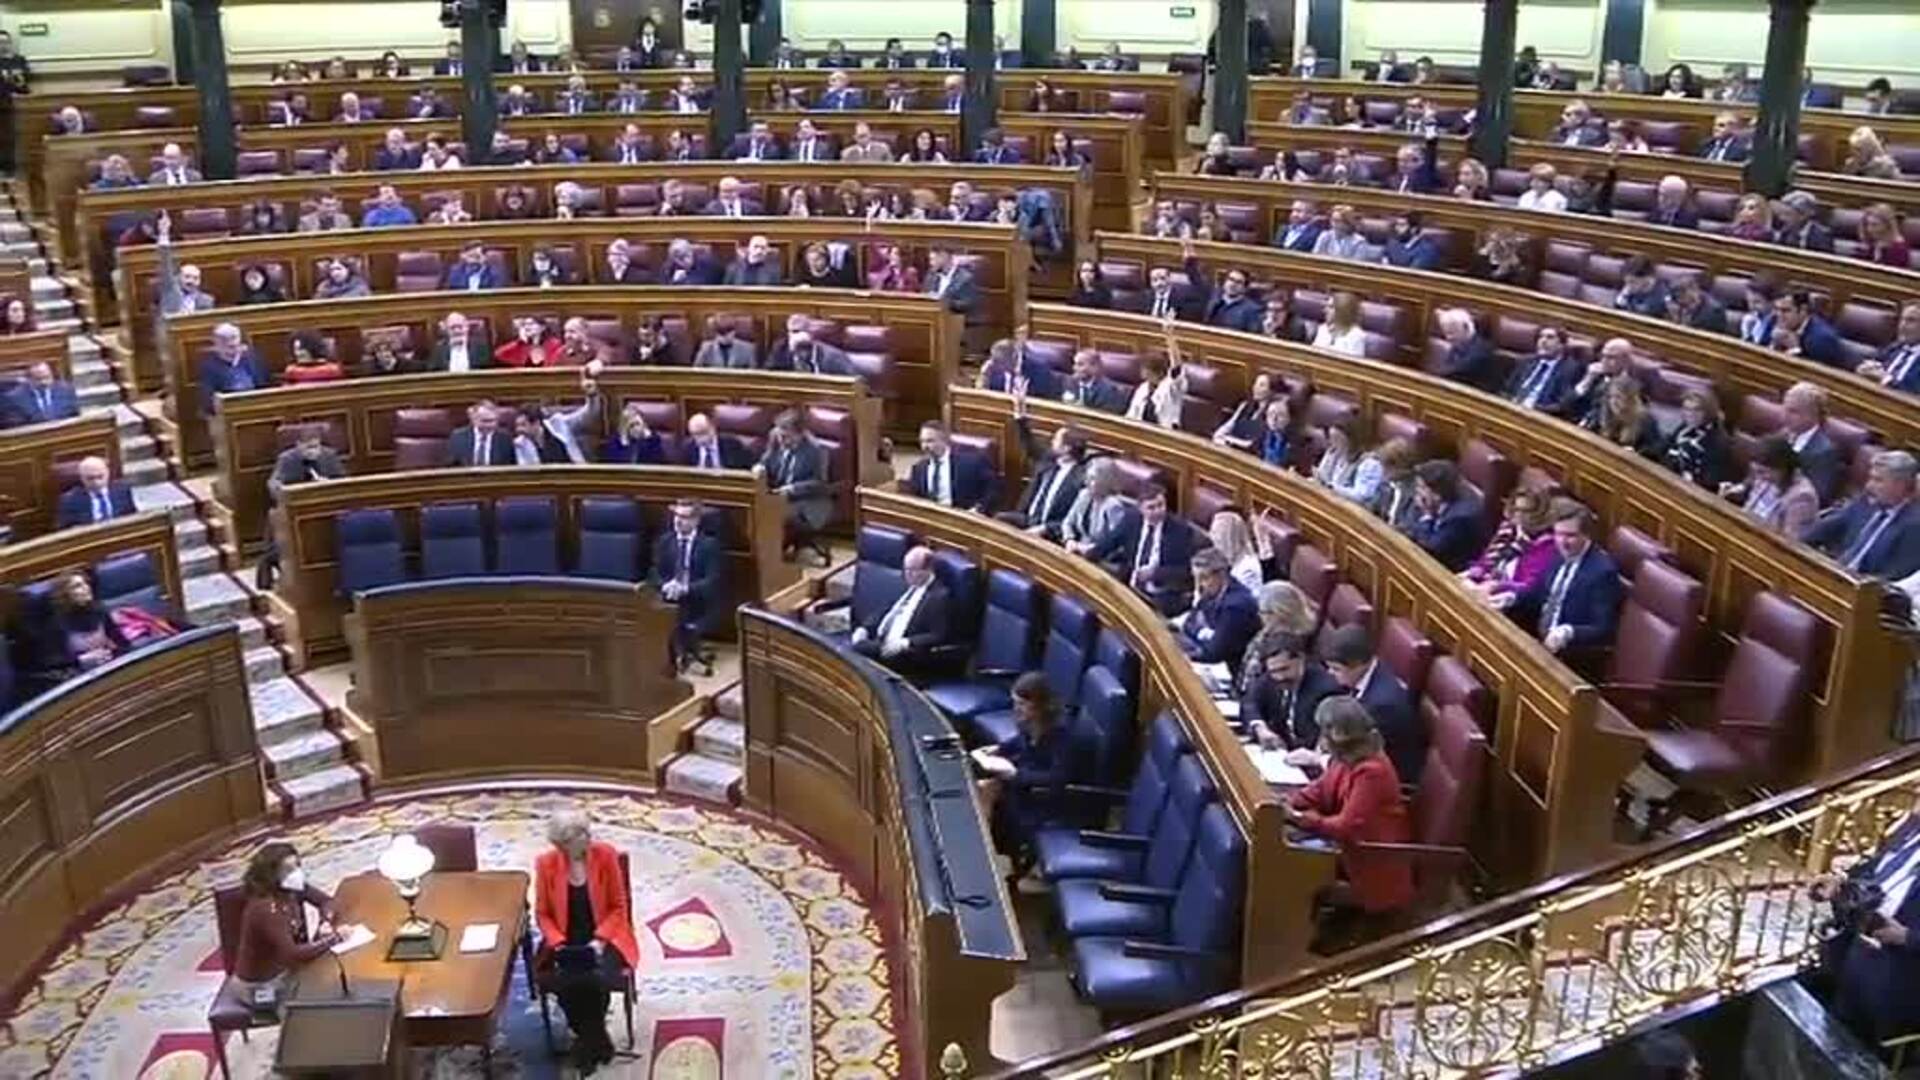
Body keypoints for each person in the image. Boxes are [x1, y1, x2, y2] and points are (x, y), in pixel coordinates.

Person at [1287, 696, 1415, 943]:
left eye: (1324, 733)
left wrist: (1302, 819)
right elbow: (1321, 789)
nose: (1321, 740)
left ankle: (1300, 944)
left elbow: (1345, 827)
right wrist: (1289, 802)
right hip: (1349, 851)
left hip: (1372, 862)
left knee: (1295, 872)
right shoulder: (1345, 759)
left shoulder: (1372, 772)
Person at [1811, 789, 1920, 1049]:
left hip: (1903, 979)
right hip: (1859, 956)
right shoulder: (1911, 827)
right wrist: (1841, 884)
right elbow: (1876, 870)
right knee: (1835, 1038)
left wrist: (1907, 937)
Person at [534, 811, 637, 1073]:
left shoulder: (605, 855)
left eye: (586, 831)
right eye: (580, 835)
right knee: (567, 983)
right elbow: (543, 914)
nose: (588, 837)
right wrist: (557, 943)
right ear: (562, 844)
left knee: (595, 981)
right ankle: (598, 1041)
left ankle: (586, 1045)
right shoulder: (546, 864)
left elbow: (618, 907)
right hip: (565, 940)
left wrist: (600, 940)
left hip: (606, 936)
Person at [217, 842, 340, 1017]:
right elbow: (293, 954)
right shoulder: (266, 908)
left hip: (284, 971)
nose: (297, 873)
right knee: (313, 1008)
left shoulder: (291, 889)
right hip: (259, 987)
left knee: (332, 985)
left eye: (297, 865)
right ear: (271, 875)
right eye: (288, 869)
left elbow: (327, 902)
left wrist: (325, 921)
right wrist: (334, 938)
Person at [974, 672, 1074, 876]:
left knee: (990, 792)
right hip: (1026, 786)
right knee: (983, 788)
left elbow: (1058, 778)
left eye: (1022, 704)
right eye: (1015, 702)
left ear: (1042, 706)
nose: (1016, 709)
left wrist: (1015, 774)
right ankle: (988, 853)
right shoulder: (1029, 725)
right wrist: (998, 750)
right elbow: (1019, 743)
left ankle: (994, 860)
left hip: (1048, 799)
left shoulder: (1062, 736)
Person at [1491, 503, 1623, 656]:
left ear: (1587, 535)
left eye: (1570, 536)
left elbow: (1603, 628)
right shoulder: (1557, 553)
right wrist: (1512, 598)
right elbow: (1538, 592)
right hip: (1536, 637)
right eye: (1558, 534)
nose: (1562, 542)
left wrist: (1569, 632)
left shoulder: (1602, 572)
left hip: (1567, 653)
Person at [1802, 450, 1920, 579]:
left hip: (1858, 587)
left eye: (1878, 480)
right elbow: (1819, 532)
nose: (1869, 486)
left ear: (1900, 485)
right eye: (1870, 478)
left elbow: (1894, 576)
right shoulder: (1865, 502)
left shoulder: (1915, 525)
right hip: (1834, 572)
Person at [1092, 483, 1195, 614]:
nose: (1157, 511)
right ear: (1140, 508)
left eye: (1161, 505)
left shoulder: (1181, 531)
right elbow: (1109, 543)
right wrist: (1085, 555)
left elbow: (1186, 571)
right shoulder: (1131, 519)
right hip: (1129, 585)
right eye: (1151, 507)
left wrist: (1155, 573)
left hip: (1160, 596)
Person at [651, 498, 725, 670]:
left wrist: (685, 589)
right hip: (669, 597)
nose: (678, 521)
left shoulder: (710, 545)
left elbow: (712, 581)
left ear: (696, 520)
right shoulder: (664, 542)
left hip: (699, 602)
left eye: (684, 517)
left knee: (678, 616)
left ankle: (677, 656)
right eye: (676, 516)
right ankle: (671, 657)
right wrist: (665, 585)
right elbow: (654, 572)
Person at [851, 545, 952, 671]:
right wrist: (864, 628)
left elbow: (938, 635)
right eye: (905, 569)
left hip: (905, 654)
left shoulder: (939, 597)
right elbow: (885, 609)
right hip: (881, 641)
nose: (907, 574)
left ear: (928, 569)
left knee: (853, 652)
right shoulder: (908, 584)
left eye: (912, 570)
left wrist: (906, 643)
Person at [756, 410, 833, 548]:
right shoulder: (776, 442)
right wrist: (759, 468)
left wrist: (791, 489)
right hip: (778, 498)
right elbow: (765, 463)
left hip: (808, 502)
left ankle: (773, 553)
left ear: (800, 434)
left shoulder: (816, 450)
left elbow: (819, 483)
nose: (782, 440)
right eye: (779, 435)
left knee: (771, 513)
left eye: (786, 436)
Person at [1177, 549, 1261, 675]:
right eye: (1196, 578)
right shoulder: (1210, 594)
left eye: (1204, 578)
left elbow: (1214, 653)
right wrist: (1205, 633)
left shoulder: (1237, 606)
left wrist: (1199, 632)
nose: (1199, 585)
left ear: (1221, 574)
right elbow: (1188, 625)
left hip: (1231, 672)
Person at [1720, 436, 1821, 538]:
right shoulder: (1765, 478)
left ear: (1782, 469)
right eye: (1756, 471)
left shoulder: (1802, 498)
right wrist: (1731, 492)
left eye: (1762, 472)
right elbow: (1748, 505)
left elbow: (1790, 540)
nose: (1759, 477)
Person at [1407, 460, 1484, 572]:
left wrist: (1427, 516)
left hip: (1451, 570)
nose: (1417, 491)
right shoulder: (1440, 498)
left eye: (1422, 487)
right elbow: (1409, 527)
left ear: (1437, 494)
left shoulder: (1459, 518)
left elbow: (1429, 550)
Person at [1655, 388, 1731, 491]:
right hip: (1668, 476)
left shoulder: (1718, 442)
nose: (1690, 414)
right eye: (1687, 409)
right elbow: (1665, 446)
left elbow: (1708, 483)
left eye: (1697, 410)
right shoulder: (1686, 427)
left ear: (1709, 412)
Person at [909, 421, 995, 511]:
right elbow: (914, 498)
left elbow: (992, 489)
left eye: (930, 441)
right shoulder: (919, 468)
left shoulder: (971, 462)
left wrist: (978, 509)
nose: (924, 446)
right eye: (922, 441)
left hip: (963, 515)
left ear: (944, 440)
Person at [1780, 381, 1843, 505]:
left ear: (1813, 415)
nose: (1784, 415)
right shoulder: (1783, 433)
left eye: (1793, 412)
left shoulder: (1824, 452)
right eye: (1784, 408)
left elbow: (1818, 496)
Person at [1314, 414, 1386, 507]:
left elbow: (1361, 496)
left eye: (1338, 441)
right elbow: (1322, 477)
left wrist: (1332, 487)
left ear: (1351, 440)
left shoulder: (1370, 464)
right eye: (1332, 439)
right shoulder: (1334, 452)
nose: (1333, 444)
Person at [198, 323, 270, 416]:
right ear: (217, 344)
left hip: (256, 407)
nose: (231, 344)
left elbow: (264, 386)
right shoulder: (209, 366)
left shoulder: (252, 358)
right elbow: (208, 400)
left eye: (234, 339)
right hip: (228, 412)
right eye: (225, 341)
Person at [55, 456, 136, 529]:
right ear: (82, 478)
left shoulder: (122, 490)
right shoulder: (69, 500)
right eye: (90, 478)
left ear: (108, 473)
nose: (96, 482)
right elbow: (65, 529)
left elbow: (133, 517)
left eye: (100, 477)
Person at [1858, 302, 1920, 393]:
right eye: (1902, 319)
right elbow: (1872, 361)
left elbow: (1913, 390)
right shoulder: (1896, 347)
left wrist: (1885, 378)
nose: (1902, 325)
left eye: (1911, 320)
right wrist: (1866, 367)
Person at [1432, 308, 1499, 391]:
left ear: (1466, 327)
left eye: (1452, 332)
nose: (1448, 337)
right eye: (1446, 333)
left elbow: (1456, 373)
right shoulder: (1458, 344)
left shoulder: (1482, 349)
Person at [766, 313, 852, 374]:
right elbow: (769, 377)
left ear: (811, 334)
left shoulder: (833, 357)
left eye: (800, 331)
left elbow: (851, 384)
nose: (797, 337)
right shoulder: (781, 350)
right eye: (793, 332)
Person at [6, 361, 79, 427]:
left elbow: (74, 416)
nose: (44, 382)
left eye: (47, 377)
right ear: (28, 378)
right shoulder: (15, 398)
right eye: (39, 379)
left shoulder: (67, 390)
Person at [448, 401, 516, 467]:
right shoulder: (458, 437)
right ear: (473, 419)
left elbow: (511, 466)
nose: (490, 425)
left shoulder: (505, 438)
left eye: (493, 421)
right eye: (485, 421)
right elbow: (452, 465)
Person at [601, 404, 666, 465]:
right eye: (631, 425)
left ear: (644, 424)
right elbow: (612, 464)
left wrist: (648, 440)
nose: (636, 428)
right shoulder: (615, 442)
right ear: (624, 428)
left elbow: (659, 463)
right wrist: (624, 443)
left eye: (638, 424)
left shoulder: (653, 440)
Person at [1312, 292, 1369, 358]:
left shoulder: (1356, 336)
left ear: (1343, 310)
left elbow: (1352, 362)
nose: (1325, 310)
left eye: (1331, 307)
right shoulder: (1323, 329)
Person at [693, 316, 758, 370]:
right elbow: (696, 370)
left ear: (734, 331)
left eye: (729, 330)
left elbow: (753, 373)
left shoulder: (747, 348)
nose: (725, 335)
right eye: (721, 332)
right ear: (715, 332)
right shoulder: (706, 347)